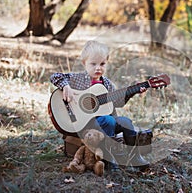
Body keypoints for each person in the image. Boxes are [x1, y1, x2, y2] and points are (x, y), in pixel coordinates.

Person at [50, 40, 149, 171]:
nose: (98, 68)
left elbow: (118, 102)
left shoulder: (107, 84)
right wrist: (66, 86)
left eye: (102, 64)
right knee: (107, 120)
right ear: (84, 63)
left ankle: (135, 157)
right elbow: (55, 76)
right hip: (85, 124)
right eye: (93, 64)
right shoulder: (78, 79)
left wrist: (133, 92)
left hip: (107, 124)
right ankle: (108, 159)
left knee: (126, 122)